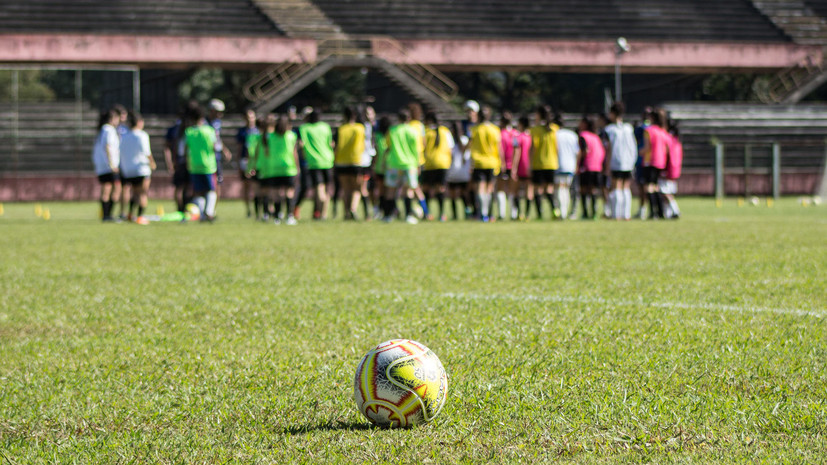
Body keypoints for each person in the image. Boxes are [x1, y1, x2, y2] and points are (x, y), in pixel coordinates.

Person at [248, 114, 299, 225]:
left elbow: (262, 151)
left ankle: (276, 216)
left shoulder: (270, 137)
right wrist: (297, 166)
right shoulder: (291, 136)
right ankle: (289, 216)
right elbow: (294, 153)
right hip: (288, 167)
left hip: (273, 168)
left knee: (275, 194)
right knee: (289, 192)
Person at [382, 108, 421, 224]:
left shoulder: (392, 131)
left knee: (391, 190)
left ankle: (388, 215)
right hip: (409, 165)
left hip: (394, 164)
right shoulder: (413, 131)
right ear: (408, 119)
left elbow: (387, 148)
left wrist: (384, 162)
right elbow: (417, 150)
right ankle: (408, 215)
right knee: (407, 190)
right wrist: (418, 165)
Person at [119, 111, 156, 224]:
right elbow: (147, 152)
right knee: (142, 193)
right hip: (141, 169)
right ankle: (140, 216)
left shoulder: (124, 137)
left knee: (134, 192)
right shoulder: (142, 135)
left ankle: (130, 214)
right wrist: (152, 163)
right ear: (139, 122)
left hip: (129, 170)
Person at [184, 105, 219, 222]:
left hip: (194, 165)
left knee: (198, 191)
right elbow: (215, 146)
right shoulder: (209, 130)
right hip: (208, 165)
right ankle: (209, 212)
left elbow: (185, 149)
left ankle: (202, 215)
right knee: (211, 190)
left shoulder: (189, 132)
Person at [604, 102, 637, 220]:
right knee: (626, 188)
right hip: (628, 161)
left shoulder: (610, 130)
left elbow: (609, 148)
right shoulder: (628, 128)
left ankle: (616, 214)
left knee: (616, 187)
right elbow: (633, 146)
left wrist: (607, 165)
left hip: (616, 161)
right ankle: (626, 214)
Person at [298, 110, 335, 220]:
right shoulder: (325, 127)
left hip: (314, 162)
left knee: (319, 189)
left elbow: (302, 144)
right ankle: (323, 213)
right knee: (327, 188)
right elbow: (331, 143)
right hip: (328, 160)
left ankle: (319, 213)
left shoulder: (304, 128)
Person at [469, 105, 501, 222]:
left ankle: (482, 213)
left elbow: (471, 147)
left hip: (478, 163)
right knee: (490, 189)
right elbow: (499, 147)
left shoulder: (474, 129)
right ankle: (490, 214)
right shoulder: (494, 129)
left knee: (480, 190)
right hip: (492, 162)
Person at [335, 106, 366, 220]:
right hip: (356, 161)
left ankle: (346, 212)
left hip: (341, 161)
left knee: (346, 189)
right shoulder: (360, 128)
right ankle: (353, 209)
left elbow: (336, 146)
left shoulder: (341, 129)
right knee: (357, 189)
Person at [422, 112, 454, 221]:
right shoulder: (445, 131)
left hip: (429, 163)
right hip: (443, 163)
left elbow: (422, 147)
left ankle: (427, 213)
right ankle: (441, 214)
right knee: (440, 189)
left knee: (426, 188)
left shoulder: (426, 131)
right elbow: (450, 149)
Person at [529, 105, 559, 220]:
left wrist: (530, 164)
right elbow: (557, 147)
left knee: (538, 189)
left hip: (538, 163)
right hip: (551, 163)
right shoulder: (554, 128)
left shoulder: (535, 130)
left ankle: (539, 213)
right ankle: (554, 210)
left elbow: (533, 148)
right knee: (549, 189)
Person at [640, 108, 669, 219]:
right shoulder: (663, 131)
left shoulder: (649, 131)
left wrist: (639, 152)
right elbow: (666, 149)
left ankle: (653, 212)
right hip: (660, 162)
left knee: (649, 187)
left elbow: (647, 148)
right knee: (656, 186)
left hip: (650, 161)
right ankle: (661, 212)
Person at [92, 108, 121, 222]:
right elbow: (108, 147)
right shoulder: (109, 130)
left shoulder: (102, 130)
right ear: (112, 119)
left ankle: (107, 215)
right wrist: (112, 164)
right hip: (108, 166)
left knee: (107, 189)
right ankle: (107, 215)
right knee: (112, 189)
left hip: (102, 165)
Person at [577, 116, 606, 220]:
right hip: (597, 167)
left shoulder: (583, 135)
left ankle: (585, 213)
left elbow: (583, 151)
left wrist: (577, 165)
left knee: (584, 190)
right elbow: (602, 151)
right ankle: (594, 212)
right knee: (593, 190)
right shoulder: (596, 137)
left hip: (586, 166)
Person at [207, 99, 233, 200]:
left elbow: (217, 139)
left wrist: (224, 150)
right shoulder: (204, 123)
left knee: (218, 182)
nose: (220, 114)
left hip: (217, 156)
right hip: (208, 157)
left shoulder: (217, 123)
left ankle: (213, 210)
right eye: (218, 112)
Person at [555, 113, 579, 220]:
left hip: (558, 165)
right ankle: (565, 210)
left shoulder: (554, 134)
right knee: (566, 189)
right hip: (570, 166)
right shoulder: (572, 135)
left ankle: (562, 212)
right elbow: (577, 152)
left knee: (560, 189)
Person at [446, 121, 472, 220]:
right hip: (463, 172)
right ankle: (467, 213)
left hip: (452, 171)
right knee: (464, 194)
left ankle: (455, 215)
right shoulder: (464, 140)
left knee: (452, 195)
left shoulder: (450, 140)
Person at [236, 108, 259, 218]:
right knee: (246, 185)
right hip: (245, 160)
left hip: (257, 160)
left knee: (256, 185)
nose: (250, 119)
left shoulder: (258, 131)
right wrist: (239, 163)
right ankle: (248, 209)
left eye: (252, 116)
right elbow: (240, 148)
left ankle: (258, 208)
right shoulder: (242, 132)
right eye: (248, 117)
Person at [498, 111, 519, 220]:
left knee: (500, 189)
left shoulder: (500, 134)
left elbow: (500, 150)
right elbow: (517, 151)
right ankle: (513, 214)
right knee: (512, 191)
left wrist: (502, 164)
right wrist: (515, 166)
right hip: (512, 166)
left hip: (503, 165)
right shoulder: (515, 134)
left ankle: (501, 214)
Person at [511, 116, 533, 220]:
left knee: (516, 191)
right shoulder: (531, 136)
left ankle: (519, 214)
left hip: (520, 165)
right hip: (530, 165)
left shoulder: (517, 137)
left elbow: (517, 152)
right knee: (529, 191)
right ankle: (528, 215)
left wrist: (514, 168)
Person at [112, 104, 130, 220]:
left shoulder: (126, 129)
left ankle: (123, 212)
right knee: (117, 188)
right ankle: (113, 212)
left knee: (125, 188)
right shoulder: (112, 129)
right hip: (117, 162)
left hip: (124, 162)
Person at [662, 121, 683, 219]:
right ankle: (668, 213)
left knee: (665, 191)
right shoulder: (676, 141)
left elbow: (666, 155)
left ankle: (675, 210)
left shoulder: (668, 140)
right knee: (668, 192)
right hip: (675, 169)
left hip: (669, 169)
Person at [371, 116, 391, 220]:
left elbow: (376, 153)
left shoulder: (377, 136)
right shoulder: (391, 135)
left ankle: (381, 210)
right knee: (389, 191)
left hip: (379, 167)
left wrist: (373, 166)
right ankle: (389, 212)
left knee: (381, 191)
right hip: (390, 166)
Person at [360, 106, 377, 219]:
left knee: (375, 187)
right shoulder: (362, 127)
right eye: (366, 113)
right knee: (365, 187)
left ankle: (376, 209)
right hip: (365, 161)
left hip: (376, 161)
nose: (368, 115)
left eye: (370, 113)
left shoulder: (377, 127)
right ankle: (369, 212)